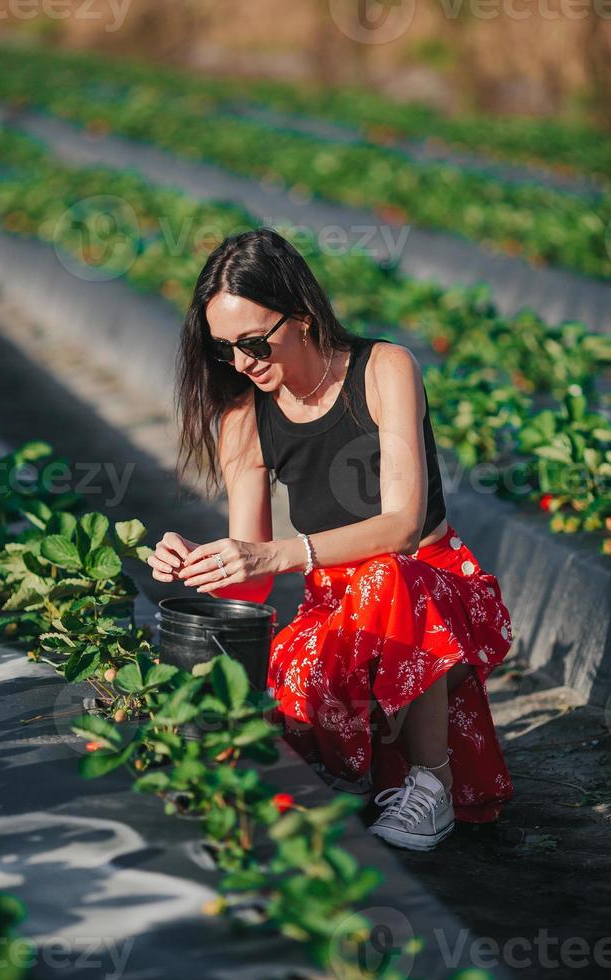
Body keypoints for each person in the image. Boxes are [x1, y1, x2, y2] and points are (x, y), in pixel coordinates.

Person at [148, 227, 514, 851]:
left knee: (389, 577)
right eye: (223, 351)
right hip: (333, 598)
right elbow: (257, 577)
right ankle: (363, 762)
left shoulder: (384, 369)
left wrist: (279, 552)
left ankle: (430, 786)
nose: (241, 364)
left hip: (436, 585)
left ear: (304, 317)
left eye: (253, 343)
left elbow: (402, 526)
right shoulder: (243, 418)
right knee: (282, 703)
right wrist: (203, 564)